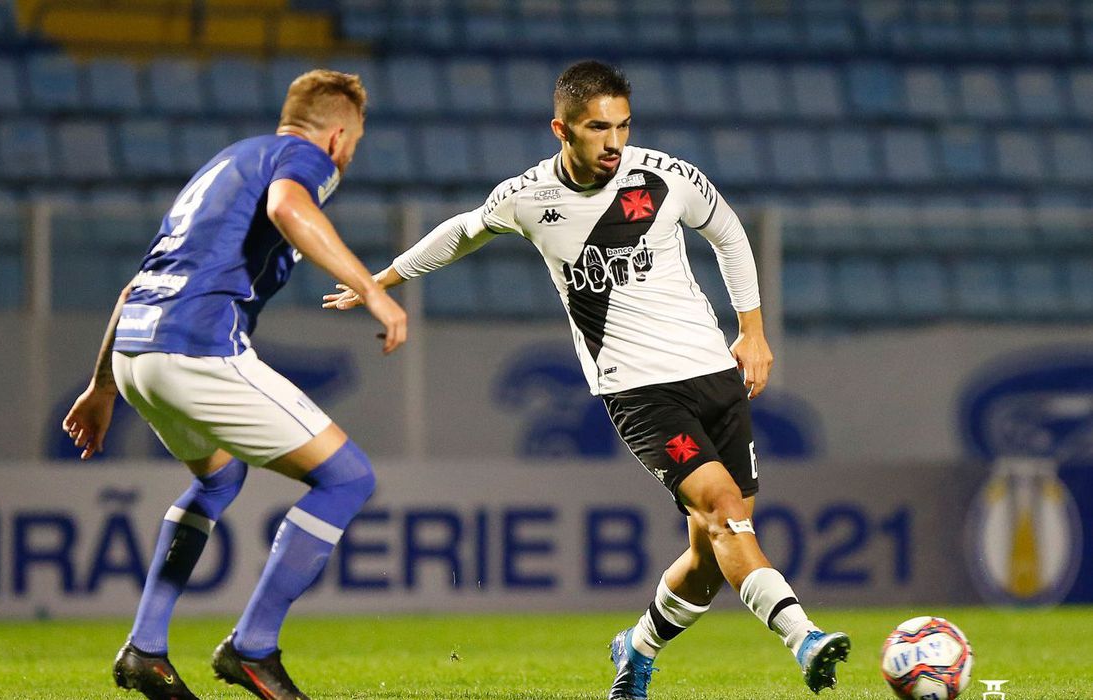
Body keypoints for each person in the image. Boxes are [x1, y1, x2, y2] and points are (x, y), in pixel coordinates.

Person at [324, 60, 849, 698]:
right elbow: (461, 232)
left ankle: (637, 647)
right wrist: (379, 280)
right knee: (725, 510)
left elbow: (730, 234)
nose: (614, 142)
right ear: (562, 129)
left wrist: (753, 330)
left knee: (710, 557)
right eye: (599, 128)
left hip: (714, 373)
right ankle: (804, 637)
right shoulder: (528, 197)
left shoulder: (665, 177)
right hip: (639, 391)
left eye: (623, 126)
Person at [61, 69, 407, 700]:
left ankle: (145, 648)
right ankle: (253, 648)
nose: (349, 156)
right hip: (195, 346)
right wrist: (373, 291)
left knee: (219, 479)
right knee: (348, 479)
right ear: (336, 136)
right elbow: (287, 208)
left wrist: (103, 386)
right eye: (353, 142)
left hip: (137, 349)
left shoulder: (226, 164)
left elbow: (138, 282)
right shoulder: (304, 160)